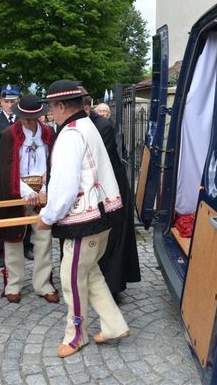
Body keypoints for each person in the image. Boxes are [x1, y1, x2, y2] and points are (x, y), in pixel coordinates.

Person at [37, 80, 129, 358]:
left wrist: (47, 217)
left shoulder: (70, 134)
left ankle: (76, 335)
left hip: (84, 221)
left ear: (62, 106)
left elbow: (65, 188)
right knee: (90, 273)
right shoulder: (88, 124)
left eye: (51, 108)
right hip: (103, 214)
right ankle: (114, 325)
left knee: (71, 279)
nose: (49, 114)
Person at [0, 94, 59, 304]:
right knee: (12, 240)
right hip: (15, 192)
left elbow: (54, 164)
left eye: (33, 118)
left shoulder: (48, 133)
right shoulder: (8, 135)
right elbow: (5, 169)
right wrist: (24, 192)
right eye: (25, 118)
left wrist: (45, 191)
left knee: (43, 240)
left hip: (43, 193)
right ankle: (14, 283)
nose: (28, 123)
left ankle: (43, 284)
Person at [82, 93, 141, 301]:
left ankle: (112, 288)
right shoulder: (85, 125)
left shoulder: (103, 127)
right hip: (97, 189)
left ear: (86, 109)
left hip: (111, 190)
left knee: (112, 239)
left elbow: (96, 163)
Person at [0, 84, 34, 267]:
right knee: (1, 212)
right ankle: (0, 250)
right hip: (1, 176)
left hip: (23, 175)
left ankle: (27, 245)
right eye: (6, 101)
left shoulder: (26, 119)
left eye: (13, 101)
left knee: (24, 210)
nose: (10, 105)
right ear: (0, 102)